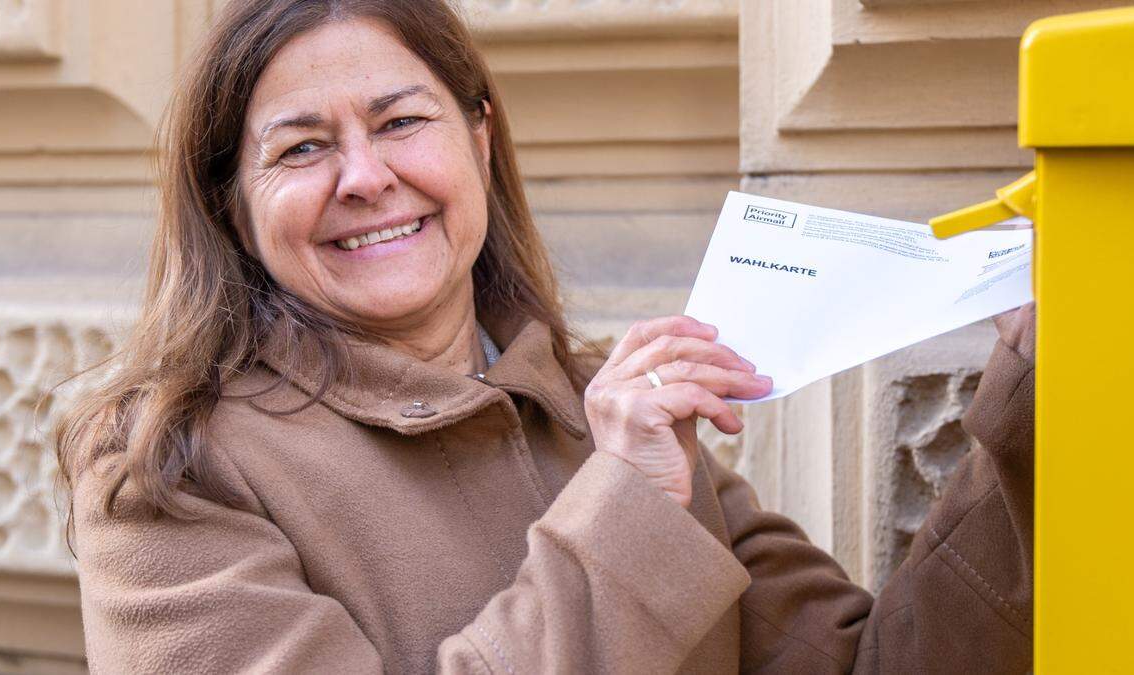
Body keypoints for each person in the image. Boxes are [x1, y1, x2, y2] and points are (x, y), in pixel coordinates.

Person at [57, 0, 1035, 672]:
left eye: (400, 122)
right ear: (232, 204)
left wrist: (1036, 404)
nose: (363, 177)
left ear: (479, 141)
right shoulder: (164, 464)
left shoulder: (603, 415)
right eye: (303, 148)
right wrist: (629, 511)